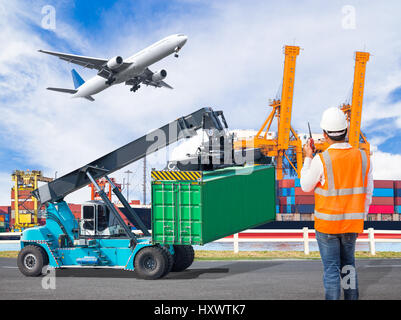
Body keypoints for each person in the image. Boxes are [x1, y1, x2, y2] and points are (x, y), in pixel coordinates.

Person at [300, 107, 373, 300]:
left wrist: (308, 157)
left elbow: (306, 186)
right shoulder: (364, 157)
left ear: (324, 134)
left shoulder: (321, 160)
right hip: (351, 225)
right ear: (346, 131)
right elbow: (368, 193)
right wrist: (360, 216)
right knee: (348, 268)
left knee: (331, 272)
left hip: (327, 227)